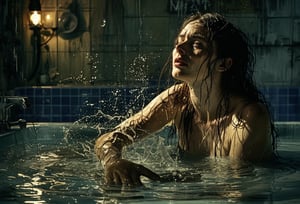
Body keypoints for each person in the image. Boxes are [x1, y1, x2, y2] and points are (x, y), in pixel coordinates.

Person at [94, 12, 277, 187]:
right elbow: (108, 139)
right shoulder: (178, 99)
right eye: (179, 42)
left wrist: (160, 183)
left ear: (223, 64)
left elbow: (238, 189)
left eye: (196, 45)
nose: (179, 49)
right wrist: (113, 162)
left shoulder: (248, 117)